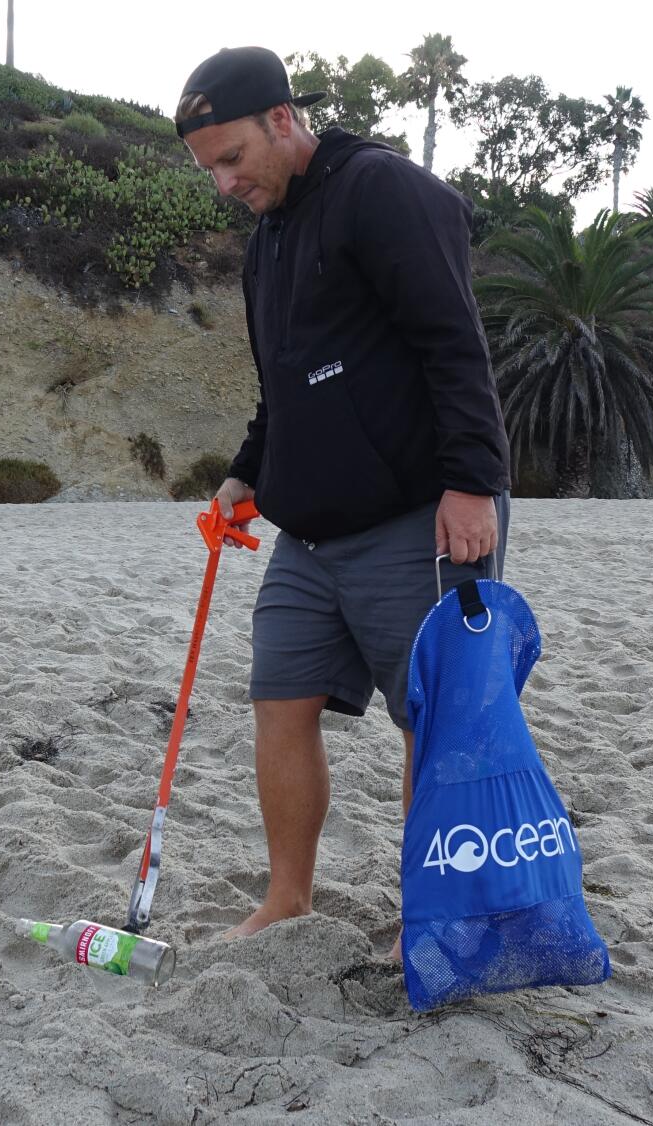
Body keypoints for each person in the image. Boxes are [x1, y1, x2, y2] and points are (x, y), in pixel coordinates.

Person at [174, 46, 512, 939]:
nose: (223, 183)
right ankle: (288, 898)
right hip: (310, 531)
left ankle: (435, 913)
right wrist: (248, 473)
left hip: (416, 515)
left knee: (428, 720)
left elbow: (456, 346)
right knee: (278, 699)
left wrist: (473, 484)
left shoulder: (383, 191)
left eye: (232, 158)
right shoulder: (269, 241)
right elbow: (283, 386)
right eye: (208, 168)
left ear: (283, 120)